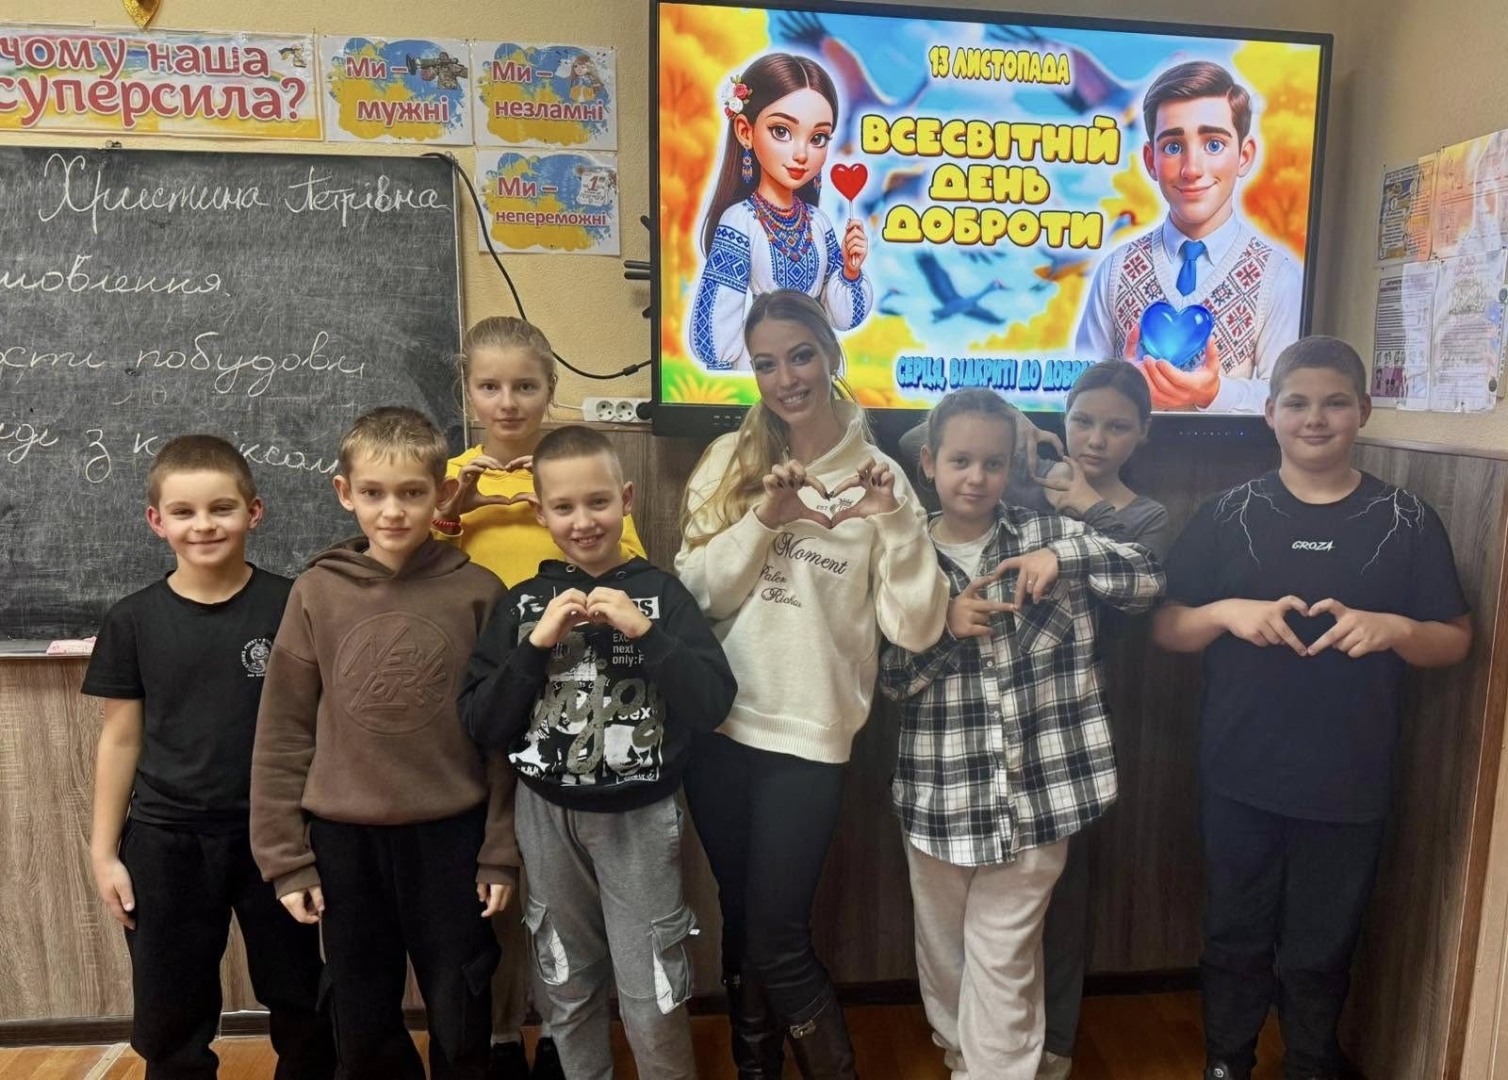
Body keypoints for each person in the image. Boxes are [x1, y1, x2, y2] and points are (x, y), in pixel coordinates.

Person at [1151, 337, 1472, 1079]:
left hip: (1350, 779)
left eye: (1335, 403)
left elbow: (1455, 640)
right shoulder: (1227, 514)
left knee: (1321, 949)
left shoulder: (1407, 520)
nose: (1315, 419)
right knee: (1233, 935)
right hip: (1238, 770)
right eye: (1297, 403)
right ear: (1270, 413)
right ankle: (1227, 1062)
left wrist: (1396, 630)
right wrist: (1226, 612)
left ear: (1364, 410)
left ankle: (1310, 1063)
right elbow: (1166, 627)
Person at [676, 290, 948, 1077]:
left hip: (809, 737)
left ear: (831, 354)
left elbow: (916, 627)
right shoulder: (728, 460)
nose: (786, 378)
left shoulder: (882, 479)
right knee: (740, 913)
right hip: (719, 729)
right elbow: (693, 596)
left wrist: (892, 519)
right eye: (766, 364)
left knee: (778, 936)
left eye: (800, 355)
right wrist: (766, 518)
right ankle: (756, 1068)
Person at [880, 389, 1164, 1079]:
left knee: (1004, 952)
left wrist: (1067, 558)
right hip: (940, 797)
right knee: (945, 952)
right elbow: (886, 679)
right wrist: (944, 629)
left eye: (993, 463)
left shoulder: (1049, 534)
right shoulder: (904, 557)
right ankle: (965, 1056)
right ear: (929, 463)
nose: (976, 477)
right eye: (960, 461)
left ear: (1012, 469)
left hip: (1041, 795)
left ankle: (992, 1069)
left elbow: (1148, 578)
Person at [460, 425, 737, 1080]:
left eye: (598, 502)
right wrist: (536, 645)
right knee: (565, 977)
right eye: (564, 507)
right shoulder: (521, 604)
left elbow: (712, 703)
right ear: (541, 512)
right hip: (545, 818)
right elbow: (481, 721)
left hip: (640, 817)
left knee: (652, 986)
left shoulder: (664, 596)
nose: (583, 521)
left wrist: (646, 633)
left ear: (627, 500)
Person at [251, 407, 520, 1080]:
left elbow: (503, 737)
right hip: (345, 845)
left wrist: (500, 850)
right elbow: (283, 731)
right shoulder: (316, 592)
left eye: (411, 493)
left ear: (443, 493)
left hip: (452, 839)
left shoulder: (480, 594)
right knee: (361, 1016)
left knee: (462, 1008)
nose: (392, 511)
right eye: (373, 493)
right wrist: (286, 860)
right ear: (345, 493)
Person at [84, 435, 335, 1080]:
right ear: (156, 520)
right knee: (170, 1006)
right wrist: (104, 853)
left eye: (221, 508)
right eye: (184, 512)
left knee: (303, 993)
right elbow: (120, 739)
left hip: (278, 836)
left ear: (254, 511)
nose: (204, 525)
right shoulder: (133, 620)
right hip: (166, 840)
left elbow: (324, 722)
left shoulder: (295, 605)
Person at [434, 314, 645, 1080]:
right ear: (467, 390)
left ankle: (563, 1034)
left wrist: (554, 510)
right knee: (491, 887)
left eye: (525, 385)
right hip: (479, 705)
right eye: (489, 386)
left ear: (551, 388)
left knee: (560, 900)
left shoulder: (573, 476)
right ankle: (498, 1034)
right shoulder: (449, 477)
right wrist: (452, 510)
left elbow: (635, 568)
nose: (507, 402)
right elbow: (401, 564)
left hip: (570, 713)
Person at [1075, 60, 1304, 414]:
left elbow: (1287, 400)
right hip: (1126, 452)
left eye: (1213, 144)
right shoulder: (1115, 271)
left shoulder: (1279, 278)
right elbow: (1078, 387)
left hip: (1235, 453)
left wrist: (1214, 394)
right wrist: (1120, 389)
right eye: (1172, 147)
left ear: (1244, 156)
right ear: (1150, 160)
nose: (1192, 169)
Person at [689, 52, 873, 371]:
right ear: (745, 132)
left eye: (817, 138)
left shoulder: (818, 222)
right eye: (781, 131)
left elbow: (843, 318)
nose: (801, 154)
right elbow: (716, 331)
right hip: (765, 368)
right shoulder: (740, 221)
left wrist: (851, 272)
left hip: (820, 365)